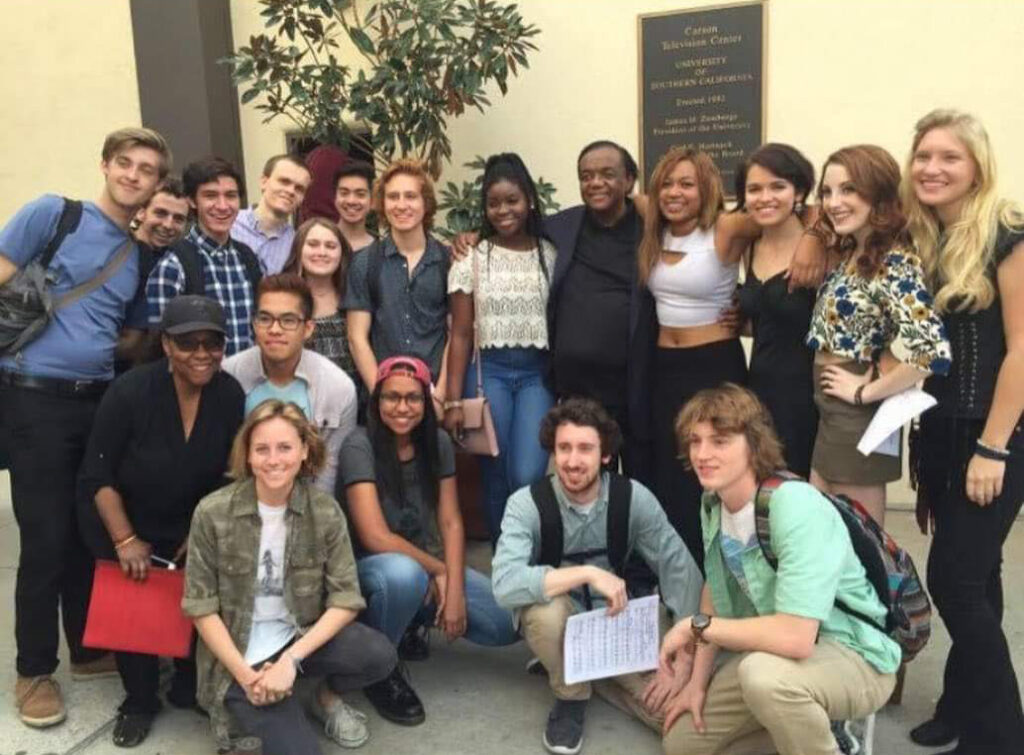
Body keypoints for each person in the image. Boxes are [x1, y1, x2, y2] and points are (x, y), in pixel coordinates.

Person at [0, 126, 171, 728]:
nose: (133, 174)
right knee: (45, 539)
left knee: (84, 531)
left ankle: (86, 648)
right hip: (33, 398)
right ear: (105, 165)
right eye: (125, 163)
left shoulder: (134, 253)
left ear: (155, 184)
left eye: (146, 169)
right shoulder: (55, 214)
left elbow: (117, 332)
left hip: (95, 401)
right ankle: (33, 670)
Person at [659, 384, 899, 755]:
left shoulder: (795, 506)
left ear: (753, 444)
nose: (702, 454)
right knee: (682, 743)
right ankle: (822, 728)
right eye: (695, 441)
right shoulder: (714, 503)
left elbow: (796, 637)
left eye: (719, 441)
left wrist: (695, 627)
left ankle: (823, 734)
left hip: (853, 655)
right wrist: (697, 683)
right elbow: (714, 592)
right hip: (777, 658)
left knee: (762, 678)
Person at [902, 109, 1024, 755]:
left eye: (949, 156)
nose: (932, 167)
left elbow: (1023, 345)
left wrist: (993, 446)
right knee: (981, 572)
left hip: (998, 432)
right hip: (942, 432)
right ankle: (961, 701)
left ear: (976, 165)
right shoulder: (926, 240)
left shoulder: (1007, 232)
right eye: (923, 155)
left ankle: (1002, 735)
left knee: (953, 579)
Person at [77, 295, 245, 747]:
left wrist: (202, 533)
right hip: (125, 519)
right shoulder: (130, 391)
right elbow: (97, 472)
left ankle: (186, 681)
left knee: (191, 617)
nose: (202, 353)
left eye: (213, 342)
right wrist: (126, 538)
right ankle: (139, 701)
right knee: (135, 614)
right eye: (189, 343)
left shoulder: (229, 395)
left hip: (191, 526)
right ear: (167, 345)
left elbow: (231, 474)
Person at [182, 400, 397, 753]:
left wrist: (289, 662)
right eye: (261, 449)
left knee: (379, 654)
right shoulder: (212, 512)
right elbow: (200, 608)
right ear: (247, 456)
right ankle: (255, 710)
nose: (273, 459)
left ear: (303, 452)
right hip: (238, 656)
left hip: (295, 639)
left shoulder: (324, 511)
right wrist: (248, 676)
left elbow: (346, 599)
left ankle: (316, 694)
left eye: (285, 447)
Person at [492, 398, 702, 755]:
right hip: (564, 618)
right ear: (553, 451)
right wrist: (586, 573)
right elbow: (505, 584)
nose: (573, 461)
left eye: (585, 448)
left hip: (621, 620)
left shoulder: (633, 497)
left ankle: (589, 673)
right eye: (564, 448)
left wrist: (687, 648)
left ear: (605, 454)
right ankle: (571, 695)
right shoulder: (526, 503)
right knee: (543, 615)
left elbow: (677, 567)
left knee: (671, 702)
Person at [339, 355, 518, 726]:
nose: (402, 407)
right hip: (374, 570)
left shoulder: (436, 442)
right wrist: (440, 572)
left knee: (506, 623)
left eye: (412, 398)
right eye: (391, 397)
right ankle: (380, 667)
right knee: (405, 576)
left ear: (425, 402)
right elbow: (374, 535)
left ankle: (410, 624)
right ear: (376, 401)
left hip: (426, 563)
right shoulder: (360, 445)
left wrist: (454, 592)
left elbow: (452, 521)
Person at [805, 145, 950, 524]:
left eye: (849, 189)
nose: (834, 202)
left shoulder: (893, 261)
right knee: (826, 537)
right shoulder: (855, 251)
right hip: (830, 411)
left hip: (855, 416)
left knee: (861, 547)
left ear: (880, 195)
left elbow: (931, 351)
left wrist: (864, 392)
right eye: (827, 191)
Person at [637, 147, 758, 568]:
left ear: (706, 188)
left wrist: (812, 244)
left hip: (712, 367)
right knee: (671, 474)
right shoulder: (654, 226)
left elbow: (796, 212)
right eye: (667, 184)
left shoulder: (724, 228)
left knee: (716, 472)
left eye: (687, 184)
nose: (675, 192)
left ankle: (727, 577)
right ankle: (682, 578)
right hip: (663, 370)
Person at [444, 153, 557, 541]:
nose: (503, 210)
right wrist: (452, 400)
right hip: (488, 373)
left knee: (527, 473)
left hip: (536, 376)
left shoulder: (551, 254)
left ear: (529, 200)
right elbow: (460, 333)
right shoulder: (471, 257)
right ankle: (504, 562)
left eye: (512, 201)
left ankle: (528, 551)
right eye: (494, 203)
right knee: (495, 469)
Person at [544, 140, 656, 484]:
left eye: (607, 174)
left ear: (630, 180)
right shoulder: (566, 225)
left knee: (640, 481)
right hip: (579, 390)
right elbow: (511, 223)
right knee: (587, 484)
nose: (595, 183)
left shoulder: (651, 228)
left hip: (634, 386)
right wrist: (471, 237)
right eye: (586, 176)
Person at [222, 273, 357, 496]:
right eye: (265, 319)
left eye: (288, 320)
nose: (275, 329)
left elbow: (327, 472)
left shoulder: (337, 388)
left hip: (307, 503)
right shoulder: (230, 375)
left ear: (308, 328)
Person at [734, 144, 819, 477]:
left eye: (777, 186)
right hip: (759, 390)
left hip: (807, 395)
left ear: (798, 191)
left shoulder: (822, 246)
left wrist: (814, 234)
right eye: (754, 189)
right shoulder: (750, 245)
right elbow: (766, 315)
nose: (765, 197)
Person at [345, 159, 449, 388]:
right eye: (393, 197)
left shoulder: (447, 261)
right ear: (382, 203)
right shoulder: (365, 262)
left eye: (410, 196)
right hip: (384, 390)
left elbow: (456, 336)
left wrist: (442, 395)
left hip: (435, 394)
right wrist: (381, 395)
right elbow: (357, 338)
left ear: (426, 203)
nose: (401, 205)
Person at [146, 156, 262, 356]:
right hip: (200, 384)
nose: (223, 206)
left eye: (231, 195)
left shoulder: (247, 258)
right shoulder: (174, 264)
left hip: (248, 383)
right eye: (210, 196)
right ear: (192, 200)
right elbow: (162, 346)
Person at [282, 218, 359, 387]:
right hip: (299, 401)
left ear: (342, 253)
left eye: (330, 246)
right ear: (299, 249)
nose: (322, 252)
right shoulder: (282, 299)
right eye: (313, 244)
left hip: (353, 400)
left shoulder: (355, 297)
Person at [231, 154, 311, 274]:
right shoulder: (229, 224)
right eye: (284, 181)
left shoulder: (297, 245)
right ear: (264, 182)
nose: (291, 191)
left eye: (299, 188)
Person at [133, 176, 189, 251]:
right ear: (140, 213)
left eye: (178, 219)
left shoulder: (183, 259)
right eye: (161, 214)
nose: (168, 225)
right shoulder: (115, 249)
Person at [334, 160, 376, 252]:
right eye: (344, 193)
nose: (351, 201)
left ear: (372, 201)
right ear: (335, 198)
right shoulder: (320, 242)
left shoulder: (379, 252)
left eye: (360, 194)